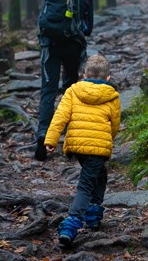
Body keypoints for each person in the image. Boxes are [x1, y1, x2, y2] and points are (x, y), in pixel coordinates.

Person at [43, 54, 121, 246]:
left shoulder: (73, 91)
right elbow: (115, 125)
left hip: (78, 146)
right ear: (108, 78)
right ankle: (71, 224)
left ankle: (93, 214)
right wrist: (107, 140)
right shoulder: (112, 96)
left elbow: (60, 116)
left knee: (100, 175)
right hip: (97, 147)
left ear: (83, 74)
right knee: (86, 184)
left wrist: (51, 140)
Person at [35, 0, 94, 161]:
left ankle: (43, 135)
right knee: (70, 92)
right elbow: (88, 28)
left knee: (48, 91)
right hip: (72, 47)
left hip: (49, 45)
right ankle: (71, 139)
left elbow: (44, 16)